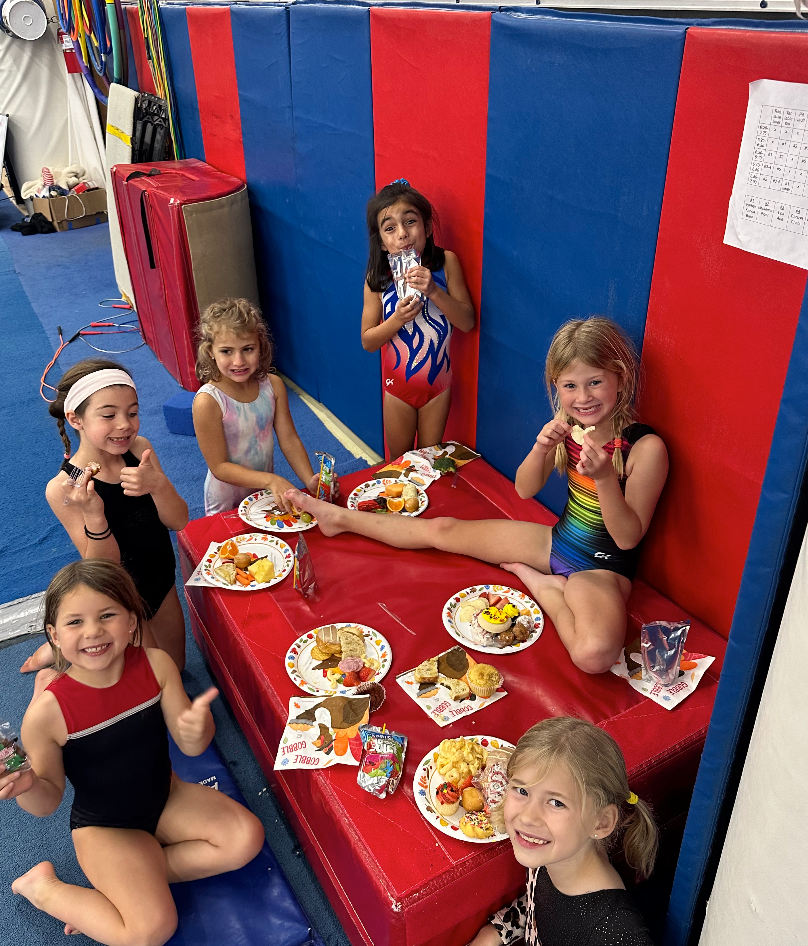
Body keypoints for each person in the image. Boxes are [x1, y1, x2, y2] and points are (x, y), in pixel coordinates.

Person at [286, 317, 668, 674]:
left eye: (595, 382)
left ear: (619, 377)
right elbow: (524, 490)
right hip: (556, 541)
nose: (583, 397)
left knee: (594, 655)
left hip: (600, 569)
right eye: (570, 386)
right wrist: (539, 447)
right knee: (443, 530)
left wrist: (603, 479)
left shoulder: (644, 447)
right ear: (556, 386)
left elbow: (627, 537)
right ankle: (339, 519)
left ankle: (547, 589)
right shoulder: (569, 426)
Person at [2, 560, 264, 946]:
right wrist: (26, 784)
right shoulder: (46, 714)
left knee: (246, 838)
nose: (93, 631)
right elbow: (47, 802)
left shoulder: (156, 666)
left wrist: (198, 727)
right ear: (54, 636)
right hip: (107, 829)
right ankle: (44, 889)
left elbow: (191, 744)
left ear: (131, 621)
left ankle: (129, 886)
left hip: (168, 796)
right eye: (75, 623)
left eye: (107, 615)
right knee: (149, 932)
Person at [22, 359, 188, 677]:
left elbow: (178, 521)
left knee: (176, 668)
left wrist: (158, 484)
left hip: (162, 580)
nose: (124, 424)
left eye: (132, 412)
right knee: (158, 682)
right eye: (109, 415)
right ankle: (58, 646)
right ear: (76, 418)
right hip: (121, 597)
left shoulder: (140, 451)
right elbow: (102, 568)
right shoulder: (64, 488)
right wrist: (93, 514)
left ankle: (60, 643)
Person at [469, 717, 658, 946]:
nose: (528, 817)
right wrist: (496, 931)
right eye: (522, 790)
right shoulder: (551, 855)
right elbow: (538, 904)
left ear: (601, 822)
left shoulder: (615, 934)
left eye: (556, 803)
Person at [361, 180, 475, 459]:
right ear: (383, 242)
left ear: (426, 227)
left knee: (427, 464)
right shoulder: (377, 279)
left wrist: (434, 291)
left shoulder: (446, 263)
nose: (402, 234)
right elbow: (368, 341)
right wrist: (397, 320)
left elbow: (467, 322)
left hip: (438, 386)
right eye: (390, 228)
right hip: (398, 389)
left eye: (410, 222)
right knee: (398, 464)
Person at [192, 298, 336, 515]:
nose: (239, 361)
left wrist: (309, 479)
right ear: (210, 351)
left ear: (261, 346)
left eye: (248, 349)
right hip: (226, 501)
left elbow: (289, 440)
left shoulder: (273, 386)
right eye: (226, 351)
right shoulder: (208, 401)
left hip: (263, 494)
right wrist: (271, 479)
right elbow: (219, 467)